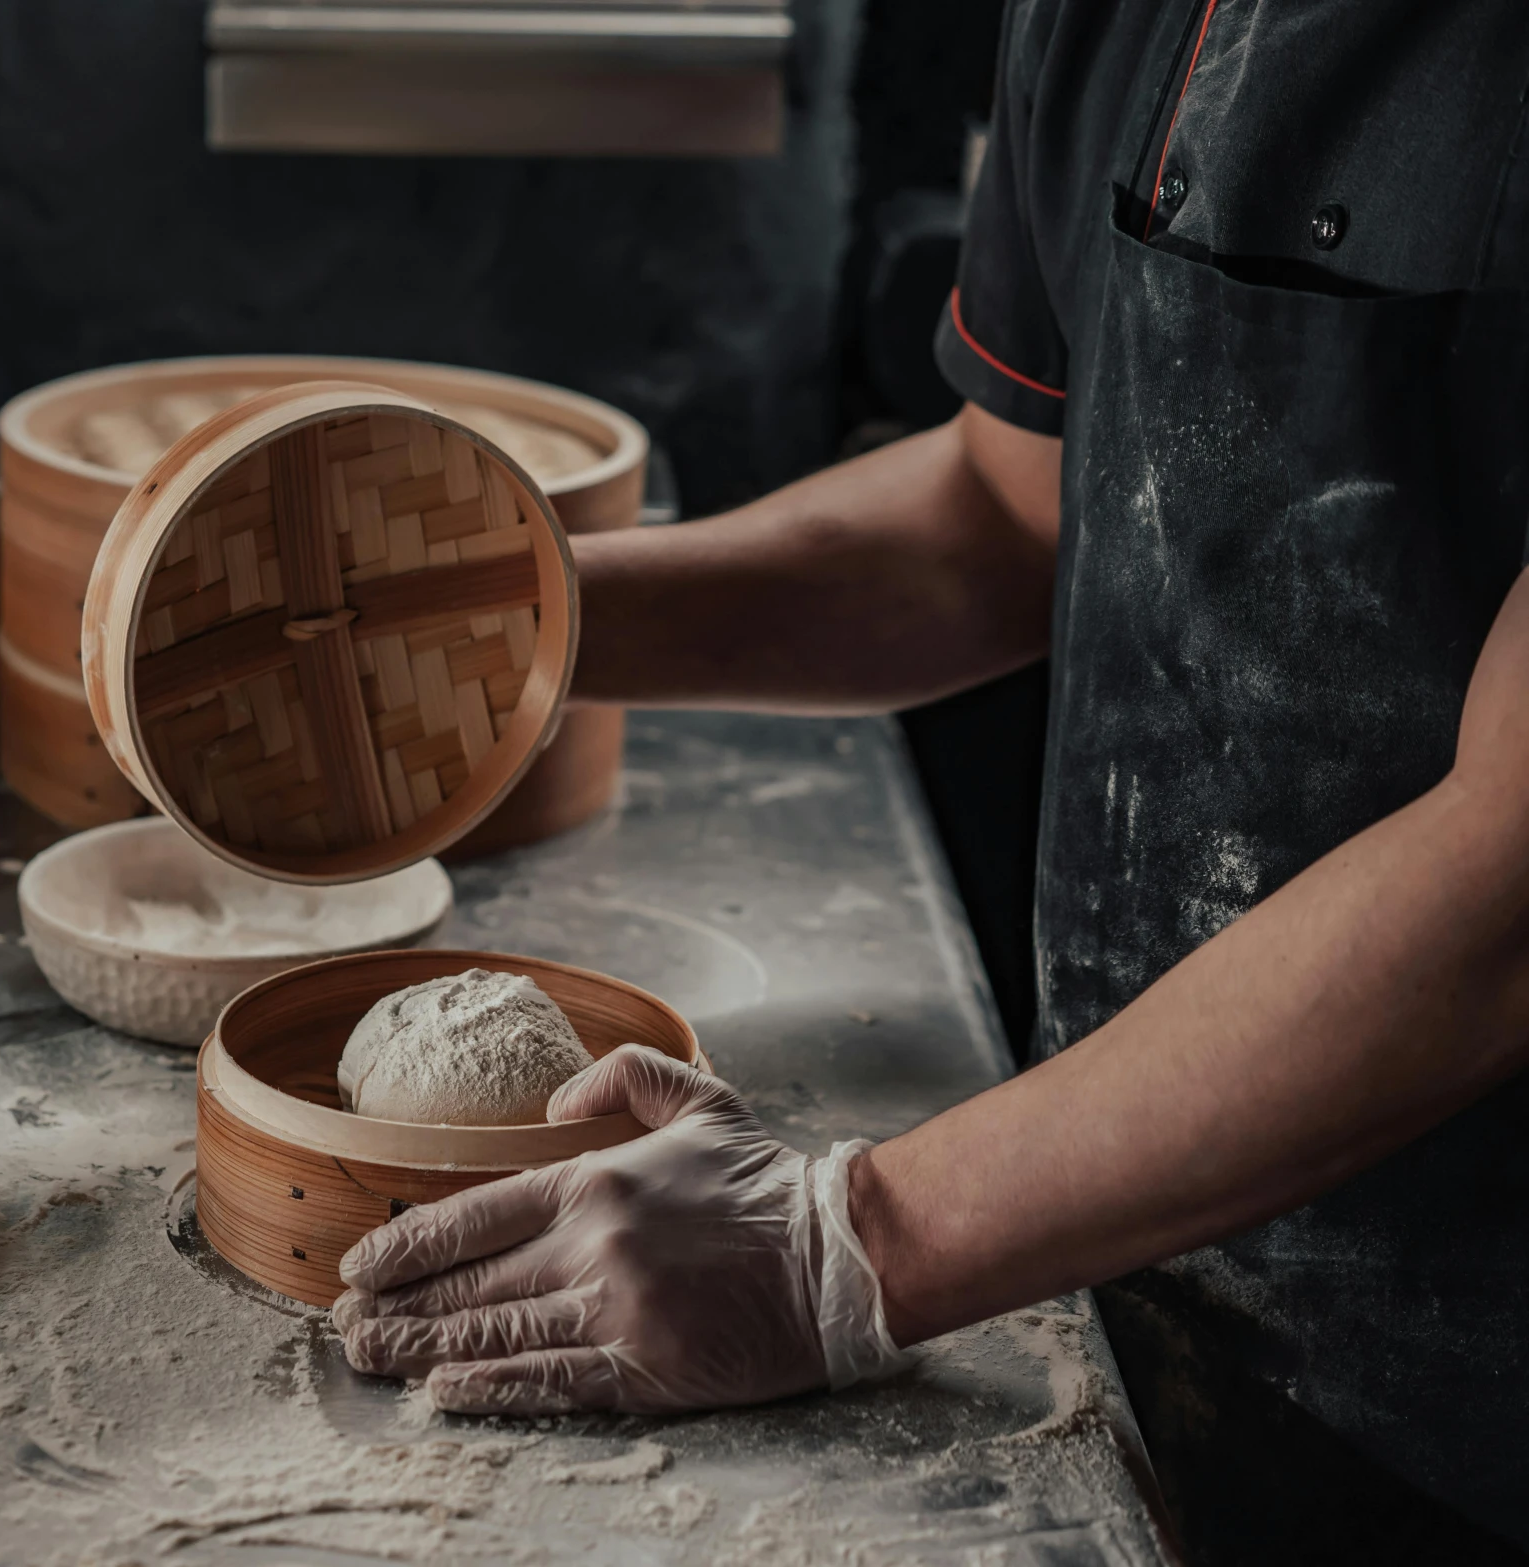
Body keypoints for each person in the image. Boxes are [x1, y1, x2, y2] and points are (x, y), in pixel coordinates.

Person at [329, 3, 1529, 1561]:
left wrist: (849, 1239)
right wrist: (497, 632)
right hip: (1115, 1233)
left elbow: (1510, 882)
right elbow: (1000, 514)